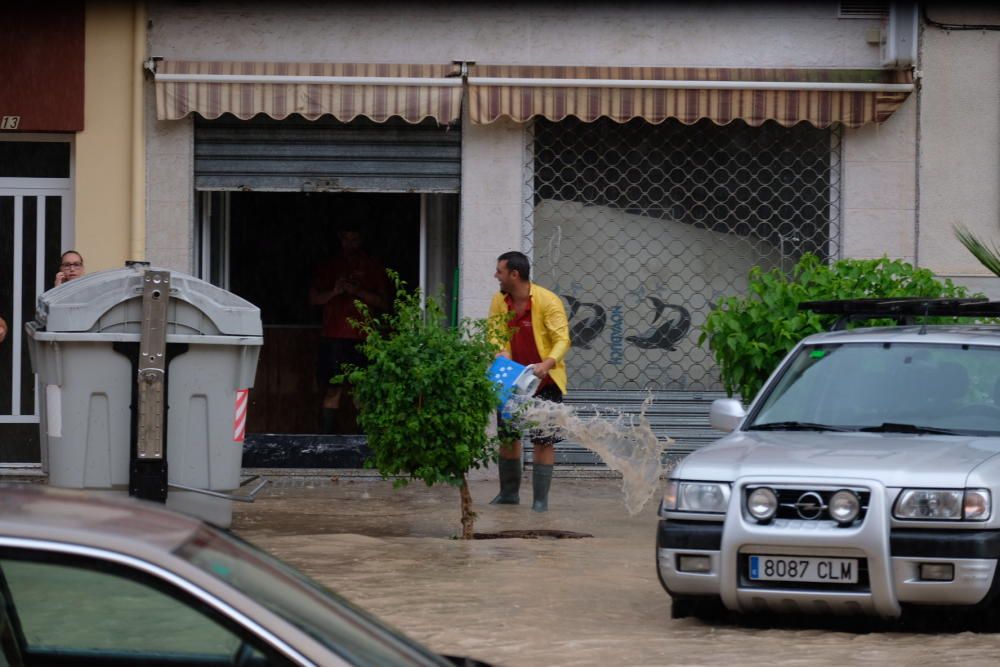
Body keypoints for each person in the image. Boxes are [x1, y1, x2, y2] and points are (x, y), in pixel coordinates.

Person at [488, 250, 570, 512]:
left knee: (543, 440)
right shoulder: (499, 302)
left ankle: (540, 502)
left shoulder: (547, 301)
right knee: (508, 436)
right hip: (511, 380)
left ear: (514, 274)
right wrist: (500, 353)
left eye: (499, 271)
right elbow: (494, 333)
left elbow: (562, 339)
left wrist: (546, 365)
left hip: (546, 381)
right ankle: (508, 494)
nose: (495, 276)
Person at [308, 222, 390, 433]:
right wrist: (335, 291)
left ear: (361, 240)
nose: (349, 244)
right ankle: (326, 441)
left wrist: (357, 291)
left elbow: (383, 303)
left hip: (363, 337)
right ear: (339, 238)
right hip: (333, 336)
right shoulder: (329, 266)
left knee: (361, 391)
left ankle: (364, 441)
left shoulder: (371, 265)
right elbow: (314, 299)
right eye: (346, 239)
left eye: (354, 239)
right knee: (332, 390)